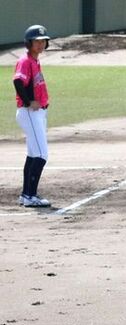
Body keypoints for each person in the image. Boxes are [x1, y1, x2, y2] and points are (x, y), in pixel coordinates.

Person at [12, 24, 53, 208]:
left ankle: (26, 195)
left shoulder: (35, 61)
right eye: (37, 41)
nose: (41, 44)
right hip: (30, 112)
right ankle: (30, 196)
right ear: (29, 43)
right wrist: (29, 102)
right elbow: (17, 82)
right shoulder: (25, 61)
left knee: (32, 154)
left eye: (43, 41)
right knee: (42, 154)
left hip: (37, 113)